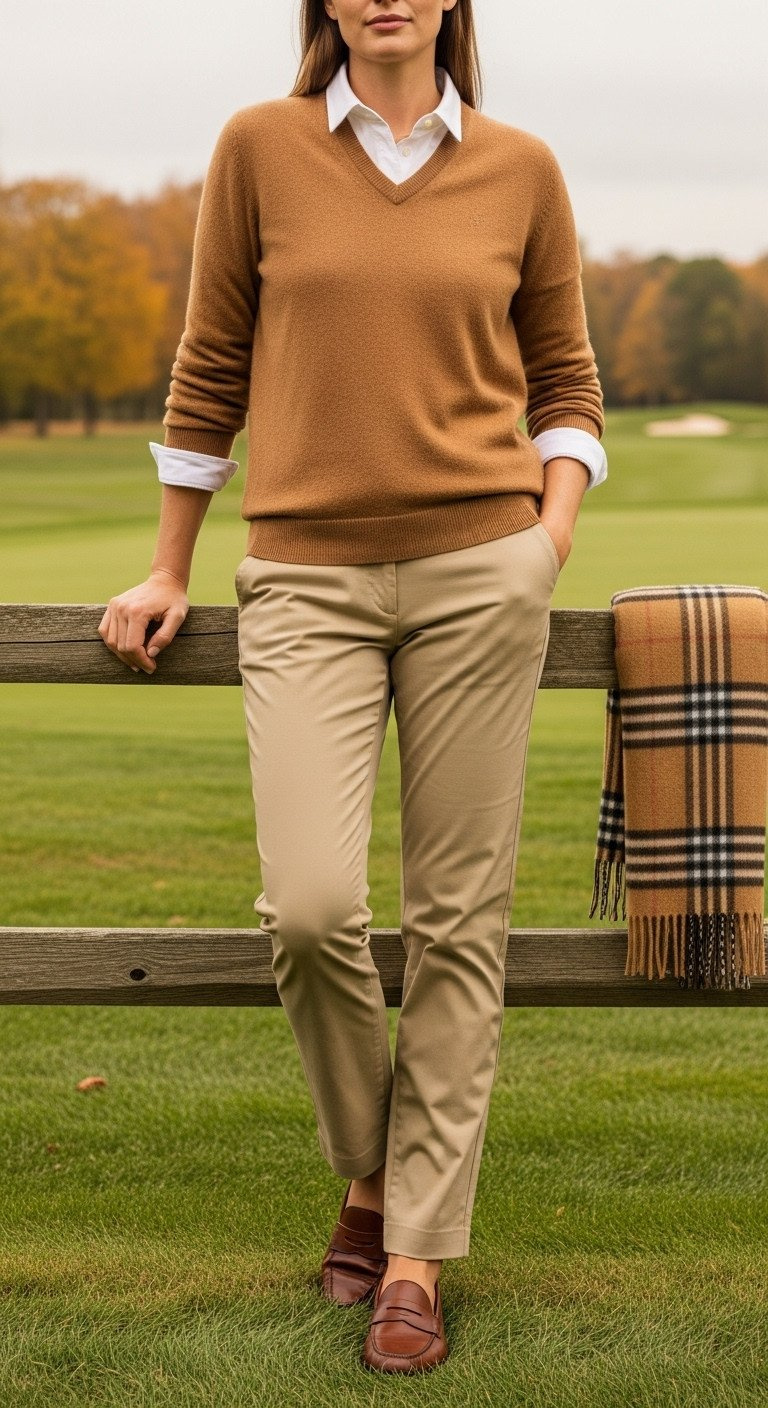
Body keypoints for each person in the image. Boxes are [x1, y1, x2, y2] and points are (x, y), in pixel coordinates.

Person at [98, 0, 607, 1375]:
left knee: (458, 923)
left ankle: (415, 1258)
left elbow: (567, 382)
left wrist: (542, 543)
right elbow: (209, 367)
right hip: (305, 578)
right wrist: (167, 568)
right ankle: (375, 1176)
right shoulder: (258, 148)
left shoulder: (523, 168)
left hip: (479, 574)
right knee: (311, 907)